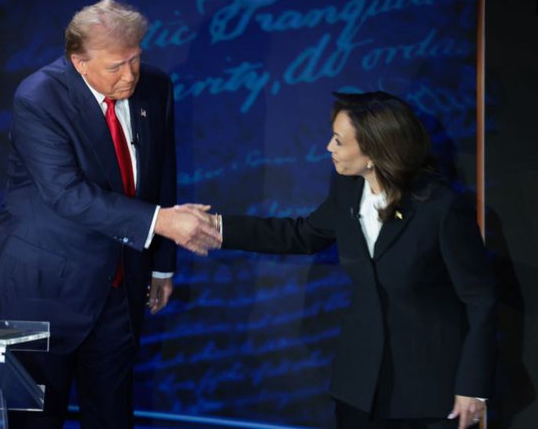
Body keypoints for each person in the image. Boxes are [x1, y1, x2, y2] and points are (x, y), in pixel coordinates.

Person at [0, 0, 221, 429]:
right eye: (116, 66)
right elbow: (66, 193)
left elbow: (161, 174)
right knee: (35, 420)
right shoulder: (39, 97)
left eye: (136, 59)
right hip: (44, 288)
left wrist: (161, 267)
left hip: (121, 284)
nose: (130, 75)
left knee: (112, 416)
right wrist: (162, 222)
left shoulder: (156, 86)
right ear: (79, 62)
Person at [209, 91, 496, 429]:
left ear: (374, 151)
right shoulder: (347, 189)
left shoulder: (440, 207)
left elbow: (480, 299)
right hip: (359, 388)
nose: (329, 148)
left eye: (338, 141)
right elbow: (299, 235)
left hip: (428, 391)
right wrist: (216, 227)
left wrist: (472, 386)